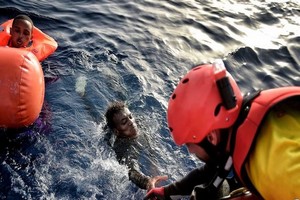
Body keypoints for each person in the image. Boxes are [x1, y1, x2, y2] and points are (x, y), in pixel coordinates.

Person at [151, 59, 299, 199]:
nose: (190, 151)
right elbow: (217, 166)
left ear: (211, 137)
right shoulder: (246, 120)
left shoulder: (274, 168)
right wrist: (168, 192)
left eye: (189, 144)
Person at [104, 101, 167, 191]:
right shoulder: (122, 148)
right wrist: (148, 183)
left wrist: (154, 169)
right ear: (116, 131)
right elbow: (131, 172)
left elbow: (151, 152)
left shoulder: (141, 125)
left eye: (130, 117)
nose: (131, 122)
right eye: (124, 122)